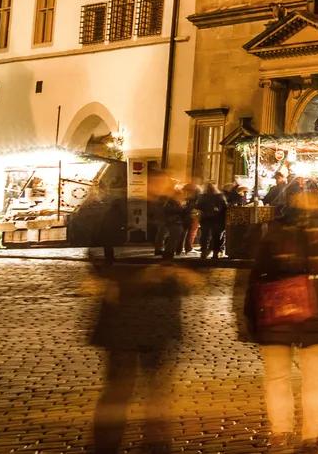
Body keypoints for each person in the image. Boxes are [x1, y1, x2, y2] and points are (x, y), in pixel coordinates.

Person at [236, 186, 318, 448]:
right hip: (313, 308)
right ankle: (311, 432)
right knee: (314, 376)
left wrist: (248, 315)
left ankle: (284, 431)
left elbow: (252, 275)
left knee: (279, 376)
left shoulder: (270, 230)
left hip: (275, 307)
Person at [87, 232, 192, 453]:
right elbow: (98, 250)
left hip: (156, 315)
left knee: (155, 385)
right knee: (122, 386)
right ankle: (113, 444)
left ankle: (155, 442)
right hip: (127, 317)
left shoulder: (165, 212)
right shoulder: (121, 212)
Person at [193, 181, 231, 261]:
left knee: (205, 236)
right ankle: (215, 253)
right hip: (216, 219)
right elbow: (225, 207)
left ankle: (204, 252)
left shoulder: (203, 196)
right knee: (215, 237)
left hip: (206, 218)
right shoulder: (219, 196)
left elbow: (198, 206)